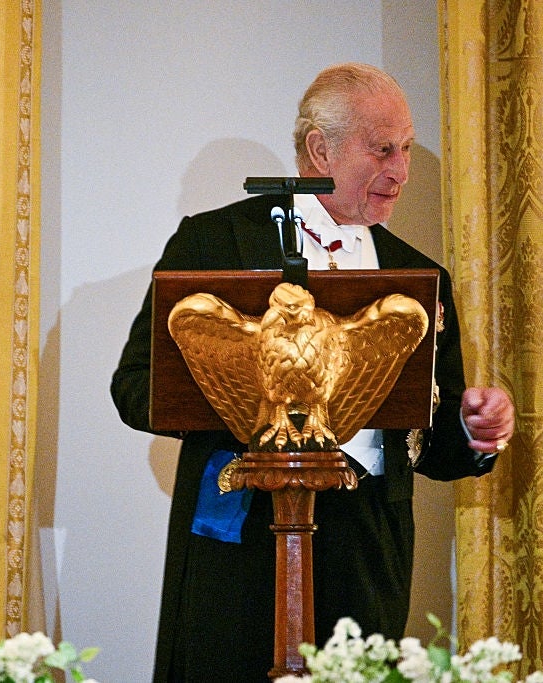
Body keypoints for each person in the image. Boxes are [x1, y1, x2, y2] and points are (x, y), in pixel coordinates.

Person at [110, 62, 515, 683]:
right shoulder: (215, 242)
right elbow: (136, 388)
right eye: (382, 149)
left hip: (365, 542)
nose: (401, 170)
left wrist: (472, 427)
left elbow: (434, 443)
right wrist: (255, 396)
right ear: (319, 147)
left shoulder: (421, 276)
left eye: (405, 149)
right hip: (240, 531)